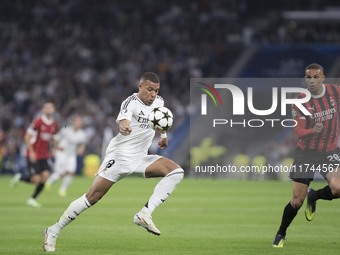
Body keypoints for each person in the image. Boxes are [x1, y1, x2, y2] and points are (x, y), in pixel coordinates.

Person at [43, 72, 184, 252]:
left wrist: (163, 136)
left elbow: (160, 121)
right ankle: (53, 231)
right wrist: (124, 126)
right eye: (149, 90)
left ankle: (144, 214)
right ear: (140, 87)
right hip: (119, 156)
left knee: (176, 172)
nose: (153, 94)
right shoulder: (130, 102)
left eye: (156, 91)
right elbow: (123, 120)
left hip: (140, 157)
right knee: (92, 197)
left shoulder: (160, 102)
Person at [273, 63, 340, 248]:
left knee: (338, 188)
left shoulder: (335, 92)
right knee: (296, 201)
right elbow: (299, 131)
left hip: (329, 152)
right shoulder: (301, 100)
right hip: (306, 153)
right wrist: (312, 130)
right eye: (308, 77)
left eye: (315, 77)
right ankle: (281, 232)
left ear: (323, 77)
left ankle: (315, 195)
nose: (311, 80)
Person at [11, 101, 59, 207]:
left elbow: (54, 138)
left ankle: (32, 199)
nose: (49, 109)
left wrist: (53, 149)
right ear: (43, 110)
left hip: (44, 155)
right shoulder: (38, 121)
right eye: (46, 107)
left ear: (54, 110)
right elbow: (27, 137)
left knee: (45, 176)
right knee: (36, 179)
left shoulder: (54, 124)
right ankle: (20, 177)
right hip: (34, 154)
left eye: (50, 107)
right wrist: (31, 152)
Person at [46, 115, 87, 197]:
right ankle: (49, 181)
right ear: (73, 122)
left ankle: (62, 190)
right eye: (77, 122)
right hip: (62, 153)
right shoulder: (65, 129)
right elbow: (55, 138)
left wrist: (81, 149)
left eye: (80, 123)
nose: (78, 124)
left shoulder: (82, 134)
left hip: (71, 155)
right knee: (60, 174)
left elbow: (82, 144)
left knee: (71, 172)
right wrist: (54, 148)